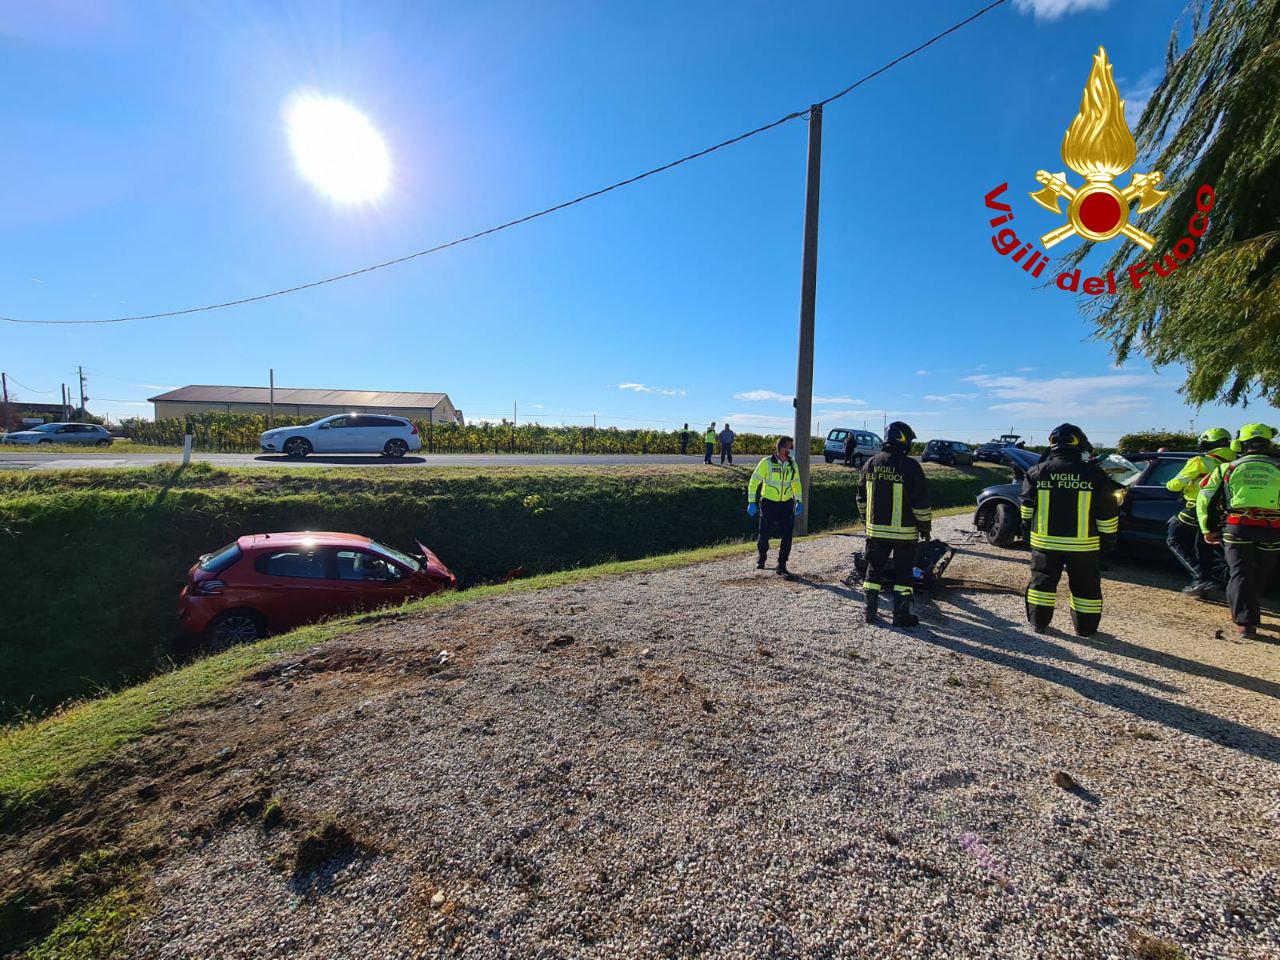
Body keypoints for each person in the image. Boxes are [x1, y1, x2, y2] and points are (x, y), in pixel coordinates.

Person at [1019, 423, 1120, 637]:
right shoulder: (1094, 474)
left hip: (1045, 543)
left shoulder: (1037, 471)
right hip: (1084, 545)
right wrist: (1108, 541)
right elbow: (1107, 511)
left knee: (1042, 584)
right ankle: (1085, 629)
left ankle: (1039, 623)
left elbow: (1026, 507)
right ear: (1080, 444)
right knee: (1086, 588)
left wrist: (1027, 531)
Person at [1197, 423, 1280, 638]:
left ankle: (1245, 623)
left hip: (1238, 527)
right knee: (1260, 572)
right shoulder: (1278, 468)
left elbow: (1205, 500)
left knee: (1240, 572)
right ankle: (1247, 613)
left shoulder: (1226, 469)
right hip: (1273, 529)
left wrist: (1208, 528)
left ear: (1240, 444)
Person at [856, 421, 931, 628]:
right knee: (903, 575)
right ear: (903, 439)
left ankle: (869, 612)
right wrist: (925, 528)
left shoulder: (871, 463)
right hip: (905, 534)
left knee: (873, 570)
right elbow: (921, 503)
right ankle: (901, 616)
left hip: (876, 532)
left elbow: (861, 498)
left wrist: (865, 521)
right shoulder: (911, 467)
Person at [1166, 427, 1233, 596]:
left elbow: (1175, 485)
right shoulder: (1234, 463)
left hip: (1195, 508)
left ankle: (1201, 578)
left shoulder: (1199, 462)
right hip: (1221, 512)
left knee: (1174, 538)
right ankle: (1207, 580)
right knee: (1204, 547)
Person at [747, 436, 804, 579]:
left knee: (787, 535)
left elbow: (796, 483)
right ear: (782, 448)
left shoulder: (792, 464)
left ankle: (782, 565)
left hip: (786, 504)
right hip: (769, 503)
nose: (792, 450)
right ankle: (762, 556)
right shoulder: (766, 463)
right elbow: (754, 482)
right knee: (764, 534)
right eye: (790, 447)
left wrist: (799, 500)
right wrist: (751, 502)